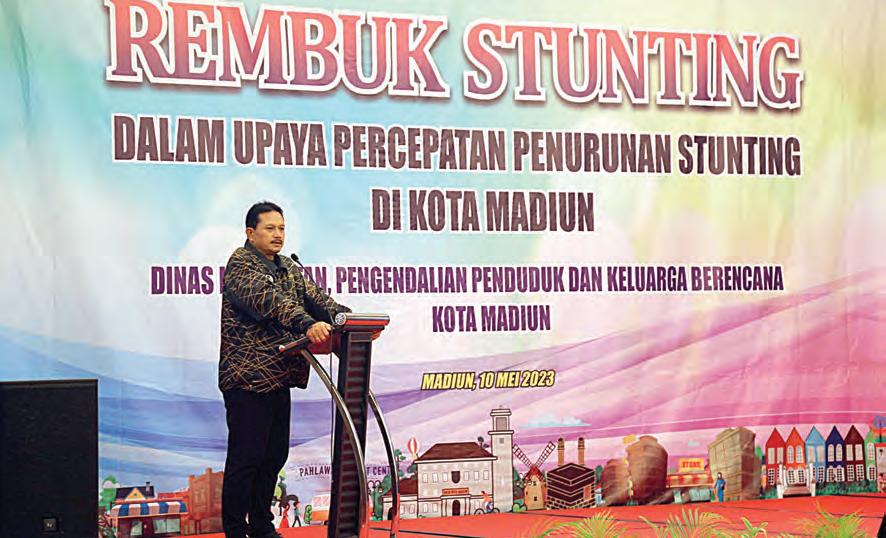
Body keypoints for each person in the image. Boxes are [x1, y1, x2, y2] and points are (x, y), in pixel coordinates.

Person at [219, 201, 351, 538]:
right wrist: (308, 324)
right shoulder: (241, 264)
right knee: (246, 458)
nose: (278, 234)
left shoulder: (288, 267)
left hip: (279, 376)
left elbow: (317, 300)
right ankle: (235, 530)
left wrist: (346, 320)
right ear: (250, 233)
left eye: (281, 228)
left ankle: (261, 526)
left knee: (273, 456)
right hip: (247, 378)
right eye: (270, 228)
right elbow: (272, 303)